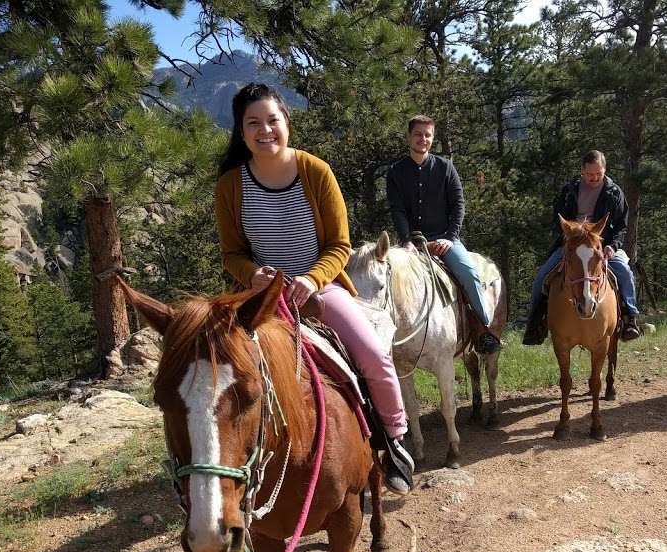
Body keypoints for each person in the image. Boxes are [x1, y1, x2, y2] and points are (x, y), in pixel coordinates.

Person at [214, 83, 414, 495]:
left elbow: (339, 245)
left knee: (373, 355)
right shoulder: (231, 185)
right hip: (260, 299)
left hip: (317, 290)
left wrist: (311, 278)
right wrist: (252, 275)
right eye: (253, 123)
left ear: (287, 122)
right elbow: (231, 252)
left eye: (272, 120)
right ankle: (221, 457)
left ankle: (394, 440)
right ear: (240, 130)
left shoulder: (315, 171)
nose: (264, 130)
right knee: (215, 369)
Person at [386, 115, 501, 354]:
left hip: (445, 239)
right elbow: (397, 209)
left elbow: (458, 205)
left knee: (468, 274)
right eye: (418, 134)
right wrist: (407, 240)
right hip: (412, 244)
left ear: (433, 138)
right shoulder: (396, 172)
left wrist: (450, 237)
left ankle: (484, 331)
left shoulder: (445, 167)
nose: (423, 139)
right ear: (408, 136)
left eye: (428, 135)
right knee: (386, 279)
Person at [523, 150, 641, 345]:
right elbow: (557, 217)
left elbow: (621, 225)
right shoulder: (570, 190)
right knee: (541, 278)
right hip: (573, 243)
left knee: (625, 272)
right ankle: (536, 323)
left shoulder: (615, 193)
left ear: (605, 170)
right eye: (589, 174)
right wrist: (571, 234)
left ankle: (630, 318)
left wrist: (612, 246)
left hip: (602, 244)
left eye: (598, 174)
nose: (594, 178)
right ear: (582, 171)